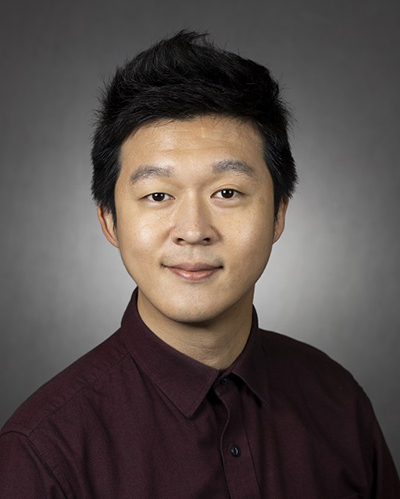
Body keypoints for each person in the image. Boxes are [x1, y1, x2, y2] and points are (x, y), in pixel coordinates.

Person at [0, 30, 398, 499]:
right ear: (109, 221)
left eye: (227, 193)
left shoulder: (337, 400)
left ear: (279, 214)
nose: (193, 229)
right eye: (158, 195)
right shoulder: (43, 452)